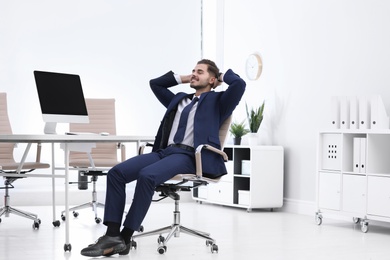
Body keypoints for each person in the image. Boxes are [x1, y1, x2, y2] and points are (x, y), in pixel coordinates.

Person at [80, 59, 246, 257]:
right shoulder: (179, 99)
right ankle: (112, 234)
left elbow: (239, 84)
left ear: (211, 79)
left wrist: (220, 77)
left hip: (191, 156)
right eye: (192, 70)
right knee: (116, 173)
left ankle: (125, 236)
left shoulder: (219, 102)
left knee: (147, 176)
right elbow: (155, 84)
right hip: (163, 151)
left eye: (199, 72)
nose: (193, 73)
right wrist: (187, 78)